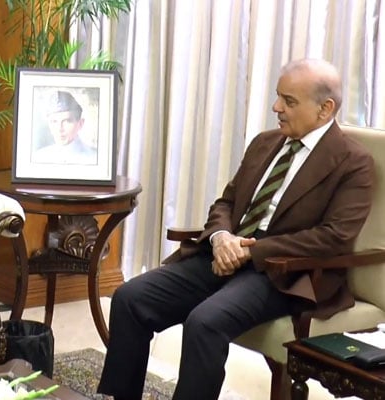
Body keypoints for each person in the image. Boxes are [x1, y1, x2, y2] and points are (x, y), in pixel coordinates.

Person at [98, 58, 375, 400]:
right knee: (130, 298)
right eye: (278, 96)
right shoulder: (265, 143)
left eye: (289, 101)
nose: (276, 107)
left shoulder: (353, 163)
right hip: (225, 253)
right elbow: (226, 203)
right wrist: (221, 237)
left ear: (325, 109)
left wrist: (250, 251)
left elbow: (334, 237)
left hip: (283, 273)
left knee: (205, 321)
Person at [32, 90, 97, 165]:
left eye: (67, 121)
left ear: (80, 124)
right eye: (54, 121)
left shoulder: (94, 158)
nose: (59, 128)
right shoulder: (39, 157)